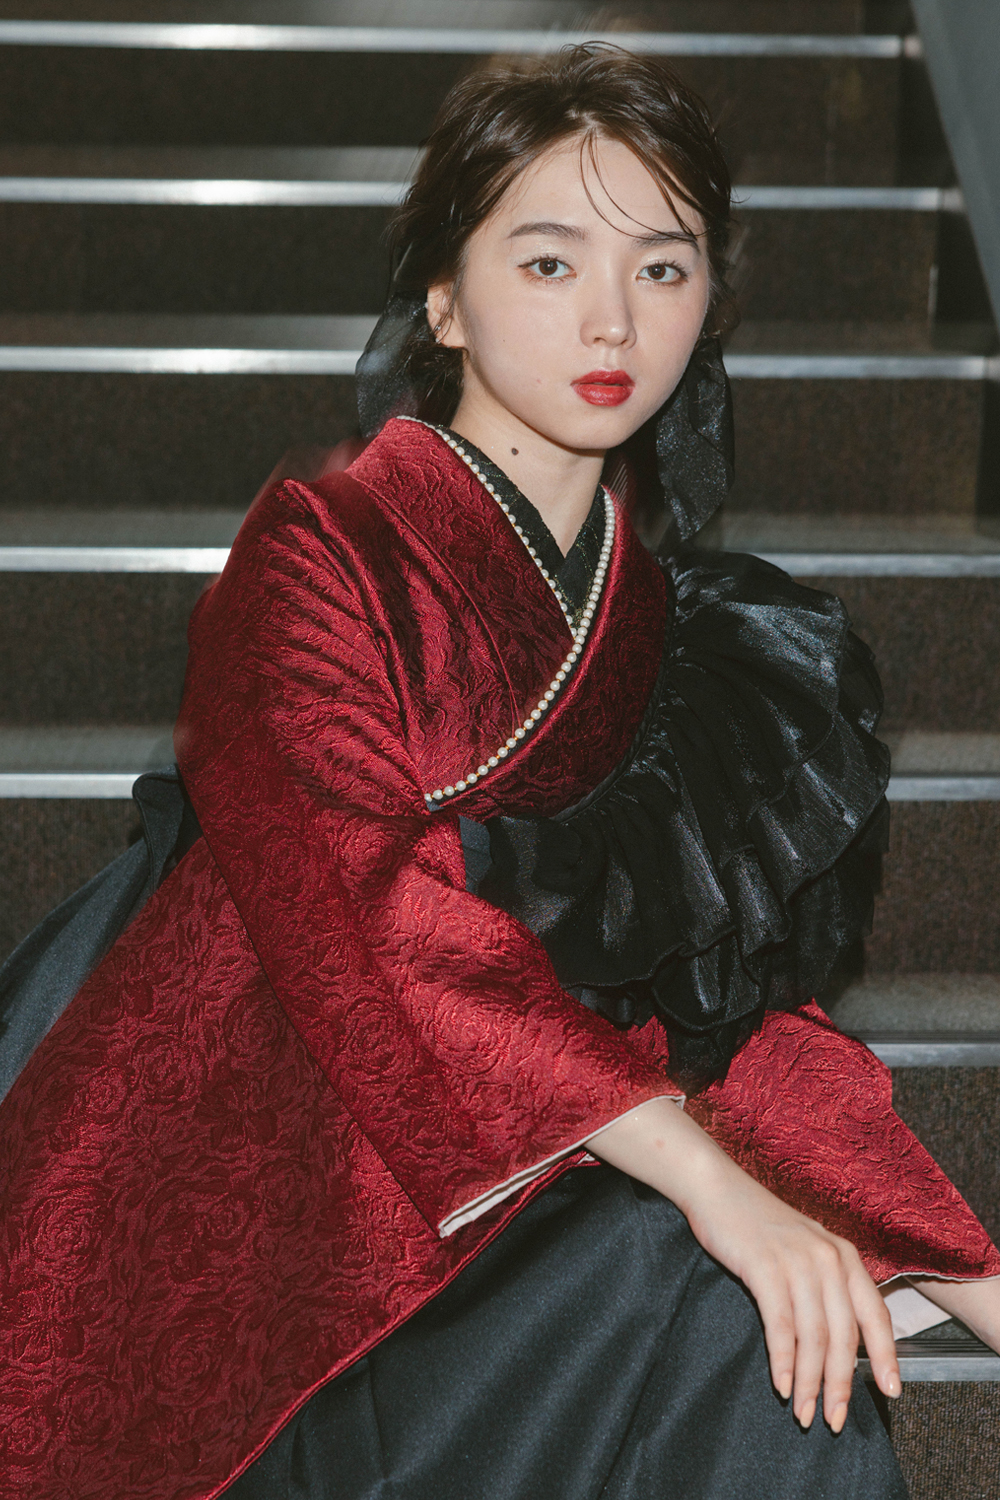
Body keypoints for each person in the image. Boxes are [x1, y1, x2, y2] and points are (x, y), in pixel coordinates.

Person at [0, 43, 997, 1500]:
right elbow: (370, 919)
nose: (613, 318)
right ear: (445, 301)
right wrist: (714, 1185)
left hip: (533, 1170)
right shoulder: (317, 555)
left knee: (759, 1313)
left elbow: (712, 1015)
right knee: (713, 1275)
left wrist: (971, 1267)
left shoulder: (671, 639)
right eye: (548, 262)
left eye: (664, 268)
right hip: (287, 1192)